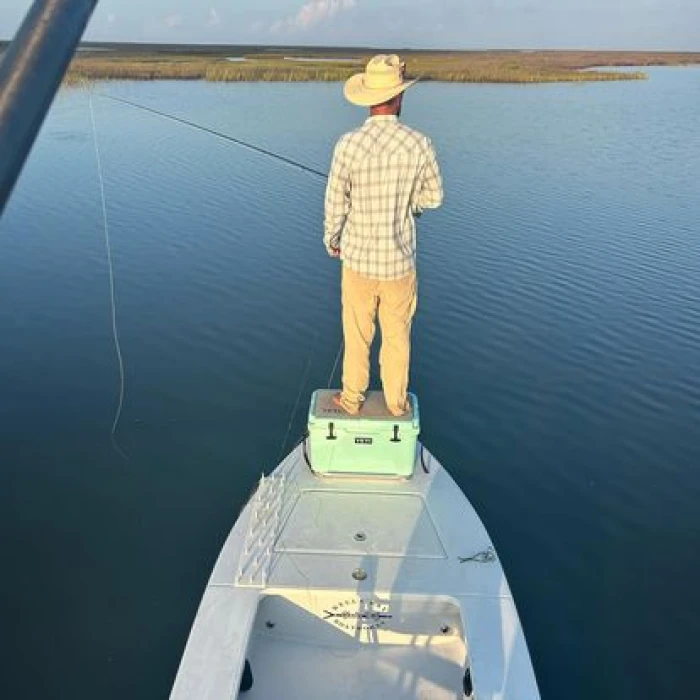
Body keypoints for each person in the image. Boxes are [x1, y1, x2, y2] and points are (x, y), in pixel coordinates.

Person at [324, 54, 444, 416]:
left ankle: (351, 399)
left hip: (357, 260)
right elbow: (435, 197)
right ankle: (395, 404)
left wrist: (333, 239)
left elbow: (335, 201)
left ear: (368, 98)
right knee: (397, 338)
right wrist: (412, 205)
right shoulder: (420, 144)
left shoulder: (348, 144)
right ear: (399, 96)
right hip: (400, 263)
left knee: (357, 335)